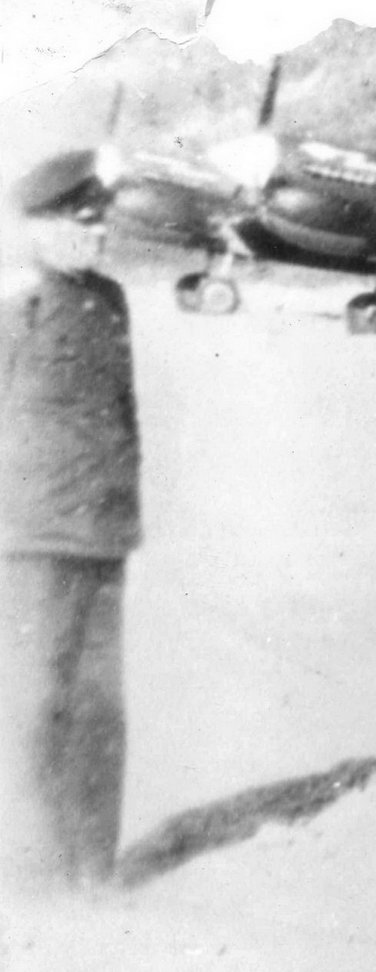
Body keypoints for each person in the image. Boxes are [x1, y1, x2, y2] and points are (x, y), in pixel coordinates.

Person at [0, 149, 135, 893]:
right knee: (32, 703)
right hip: (31, 536)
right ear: (43, 225)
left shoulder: (110, 300)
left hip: (104, 534)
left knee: (101, 710)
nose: (100, 233)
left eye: (103, 220)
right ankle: (33, 872)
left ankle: (95, 869)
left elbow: (123, 415)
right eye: (85, 221)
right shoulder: (14, 300)